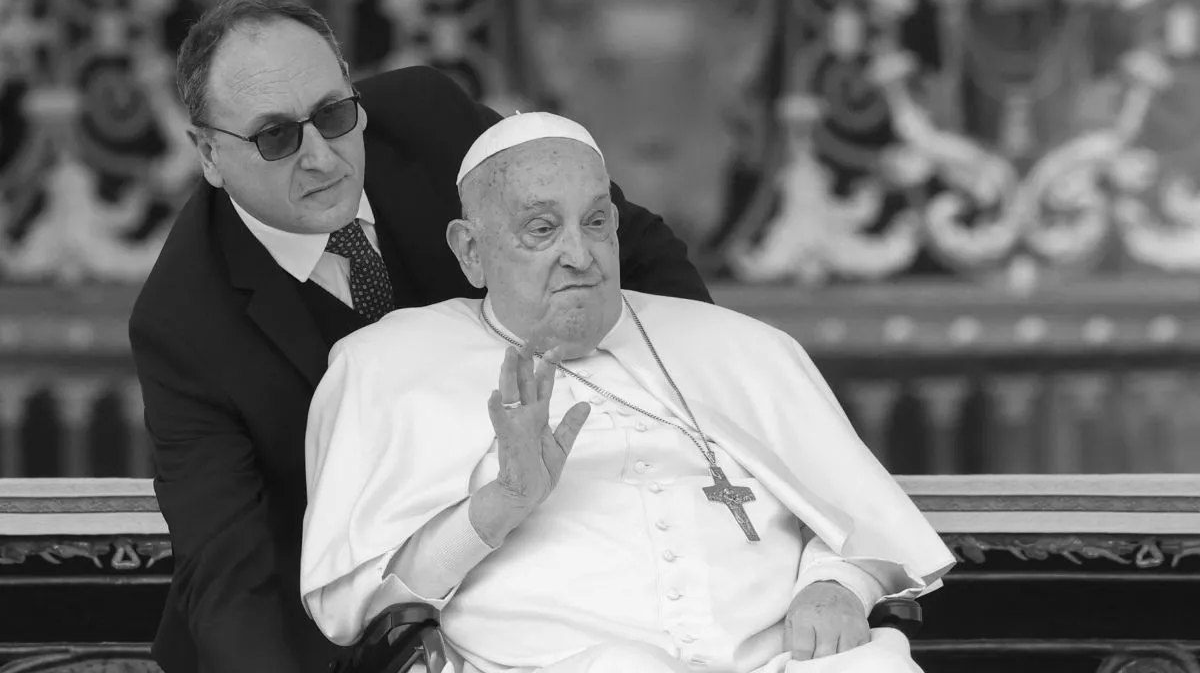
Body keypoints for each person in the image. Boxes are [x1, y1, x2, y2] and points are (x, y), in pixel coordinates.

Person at [128, 0, 711, 673]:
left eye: (334, 115)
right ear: (207, 153)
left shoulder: (431, 121)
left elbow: (635, 248)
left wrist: (709, 419)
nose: (321, 157)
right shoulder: (184, 321)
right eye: (276, 136)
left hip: (532, 568)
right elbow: (228, 572)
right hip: (340, 627)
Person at [300, 113, 956, 673]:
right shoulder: (387, 365)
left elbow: (865, 527)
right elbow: (364, 601)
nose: (581, 255)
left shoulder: (741, 347)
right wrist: (501, 504)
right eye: (541, 229)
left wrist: (837, 584)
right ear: (471, 250)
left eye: (595, 223)